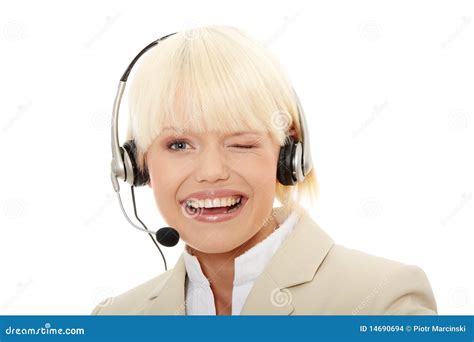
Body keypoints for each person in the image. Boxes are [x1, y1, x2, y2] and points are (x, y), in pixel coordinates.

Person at [92, 25, 437, 315]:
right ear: (137, 165)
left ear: (289, 156)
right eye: (179, 145)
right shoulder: (113, 318)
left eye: (241, 143)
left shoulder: (384, 300)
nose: (211, 172)